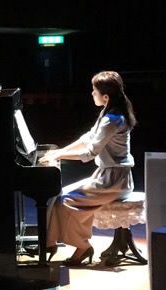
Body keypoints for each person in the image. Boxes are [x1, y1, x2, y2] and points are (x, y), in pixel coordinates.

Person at [37, 70, 137, 267]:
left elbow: (90, 152)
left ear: (105, 96)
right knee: (61, 196)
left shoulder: (112, 119)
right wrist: (60, 151)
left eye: (94, 90)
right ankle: (51, 243)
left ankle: (81, 246)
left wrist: (59, 155)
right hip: (107, 177)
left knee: (65, 200)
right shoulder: (108, 113)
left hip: (114, 181)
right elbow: (88, 138)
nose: (92, 93)